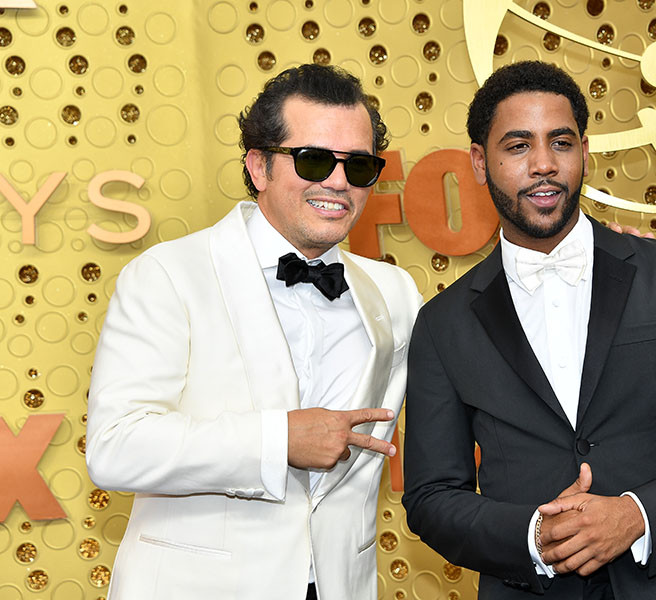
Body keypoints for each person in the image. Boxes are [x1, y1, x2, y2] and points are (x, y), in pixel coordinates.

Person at [402, 61, 656, 599]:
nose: (544, 164)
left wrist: (637, 515)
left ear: (585, 152)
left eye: (561, 142)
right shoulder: (443, 323)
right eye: (518, 146)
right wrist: (533, 536)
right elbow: (431, 496)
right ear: (480, 162)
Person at [86, 64, 422, 600]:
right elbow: (115, 447)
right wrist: (279, 439)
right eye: (313, 160)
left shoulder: (395, 293)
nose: (339, 182)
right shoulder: (167, 275)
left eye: (359, 166)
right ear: (259, 166)